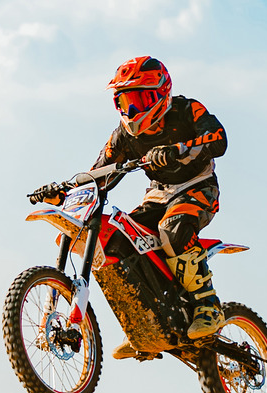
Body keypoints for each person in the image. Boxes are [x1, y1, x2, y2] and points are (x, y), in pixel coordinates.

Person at [59, 55, 231, 359]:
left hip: (198, 187)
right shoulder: (122, 135)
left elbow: (218, 140)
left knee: (172, 230)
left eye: (141, 99)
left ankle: (208, 306)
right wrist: (65, 191)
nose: (133, 110)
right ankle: (147, 325)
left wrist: (178, 149)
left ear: (162, 93)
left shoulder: (187, 110)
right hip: (158, 195)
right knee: (121, 238)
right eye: (126, 102)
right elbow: (98, 173)